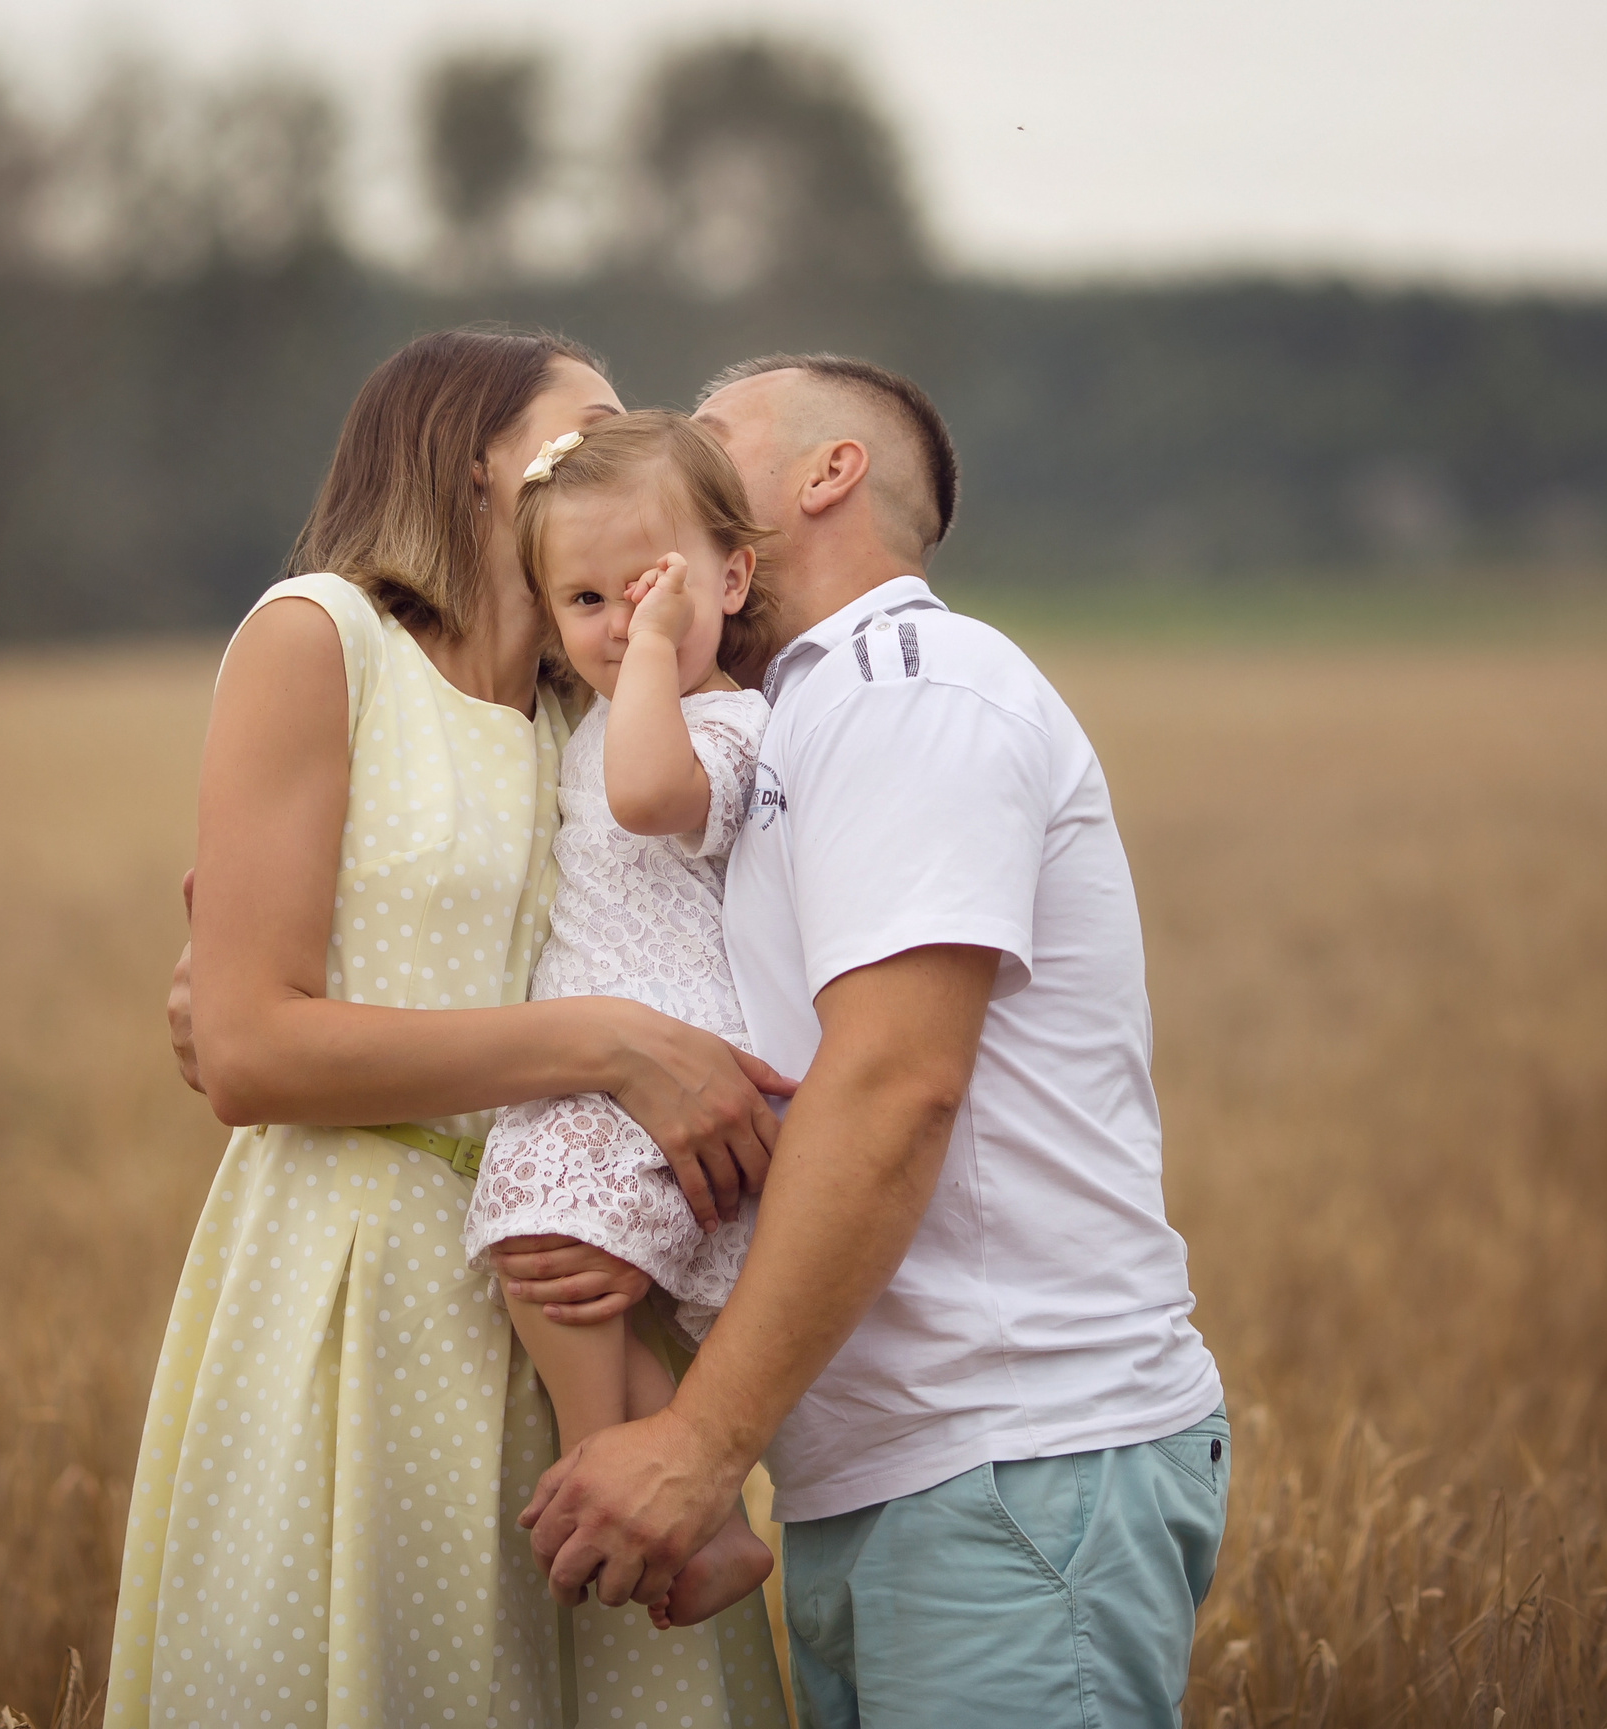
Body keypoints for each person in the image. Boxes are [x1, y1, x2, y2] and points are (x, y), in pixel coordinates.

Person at [515, 355, 1230, 1728]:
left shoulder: (907, 686)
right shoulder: (791, 720)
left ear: (825, 476)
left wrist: (698, 1442)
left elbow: (897, 1083)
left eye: (712, 446)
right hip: (907, 1481)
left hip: (1011, 1470)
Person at [114, 328, 792, 1729]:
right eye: (584, 430)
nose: (622, 457)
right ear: (474, 459)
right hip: (368, 1282)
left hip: (584, 1287)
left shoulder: (598, 707)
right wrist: (607, 1047)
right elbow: (247, 1049)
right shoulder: (322, 639)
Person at [460, 413, 783, 1630]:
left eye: (647, 589)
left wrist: (649, 651)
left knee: (546, 1251)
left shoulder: (726, 724)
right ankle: (697, 1525)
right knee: (550, 1268)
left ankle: (633, 1483)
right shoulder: (603, 709)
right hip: (608, 1069)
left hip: (671, 1055)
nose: (616, 622)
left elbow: (649, 798)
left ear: (732, 577)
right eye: (584, 599)